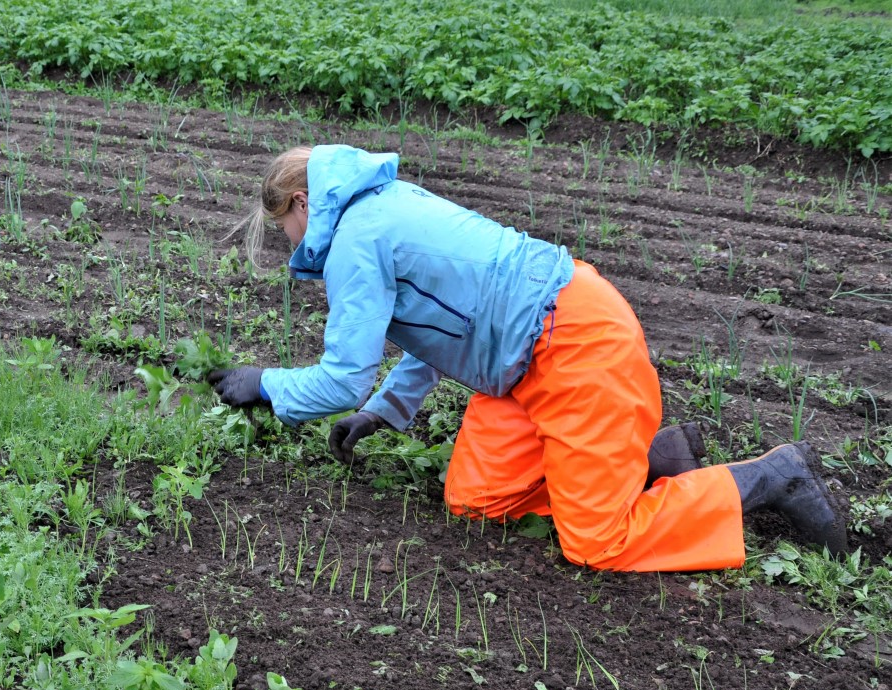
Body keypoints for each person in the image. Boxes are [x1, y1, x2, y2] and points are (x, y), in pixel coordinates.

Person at [207, 144, 848, 572]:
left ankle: (775, 477)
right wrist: (385, 414)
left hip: (572, 342)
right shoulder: (382, 208)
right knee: (477, 499)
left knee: (597, 540)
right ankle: (654, 458)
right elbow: (442, 330)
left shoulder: (353, 237)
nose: (294, 248)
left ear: (300, 204)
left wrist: (265, 384)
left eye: (285, 234)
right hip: (525, 364)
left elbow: (342, 376)